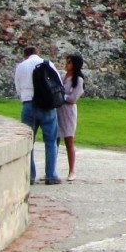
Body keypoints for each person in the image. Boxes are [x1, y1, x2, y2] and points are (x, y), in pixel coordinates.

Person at [14, 46, 61, 184]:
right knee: (50, 141)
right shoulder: (48, 64)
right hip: (47, 106)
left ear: (25, 55)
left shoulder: (21, 67)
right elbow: (56, 83)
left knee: (29, 142)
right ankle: (51, 175)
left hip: (28, 104)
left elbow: (18, 88)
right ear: (37, 53)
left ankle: (30, 175)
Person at [56, 53, 86, 182]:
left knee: (69, 141)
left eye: (69, 62)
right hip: (58, 109)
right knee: (54, 140)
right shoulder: (63, 77)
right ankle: (52, 170)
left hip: (68, 111)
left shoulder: (78, 80)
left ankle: (71, 170)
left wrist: (63, 97)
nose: (66, 65)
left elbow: (73, 98)